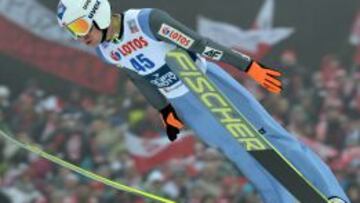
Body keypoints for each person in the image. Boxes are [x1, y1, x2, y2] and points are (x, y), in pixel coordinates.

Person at [56, 0, 349, 202]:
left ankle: (331, 194)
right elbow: (138, 77)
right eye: (72, 31)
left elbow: (198, 43)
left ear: (99, 13)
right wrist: (165, 110)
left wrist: (248, 66)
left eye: (80, 27)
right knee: (241, 154)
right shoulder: (105, 50)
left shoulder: (145, 21)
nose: (79, 36)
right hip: (185, 104)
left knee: (269, 137)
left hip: (209, 84)